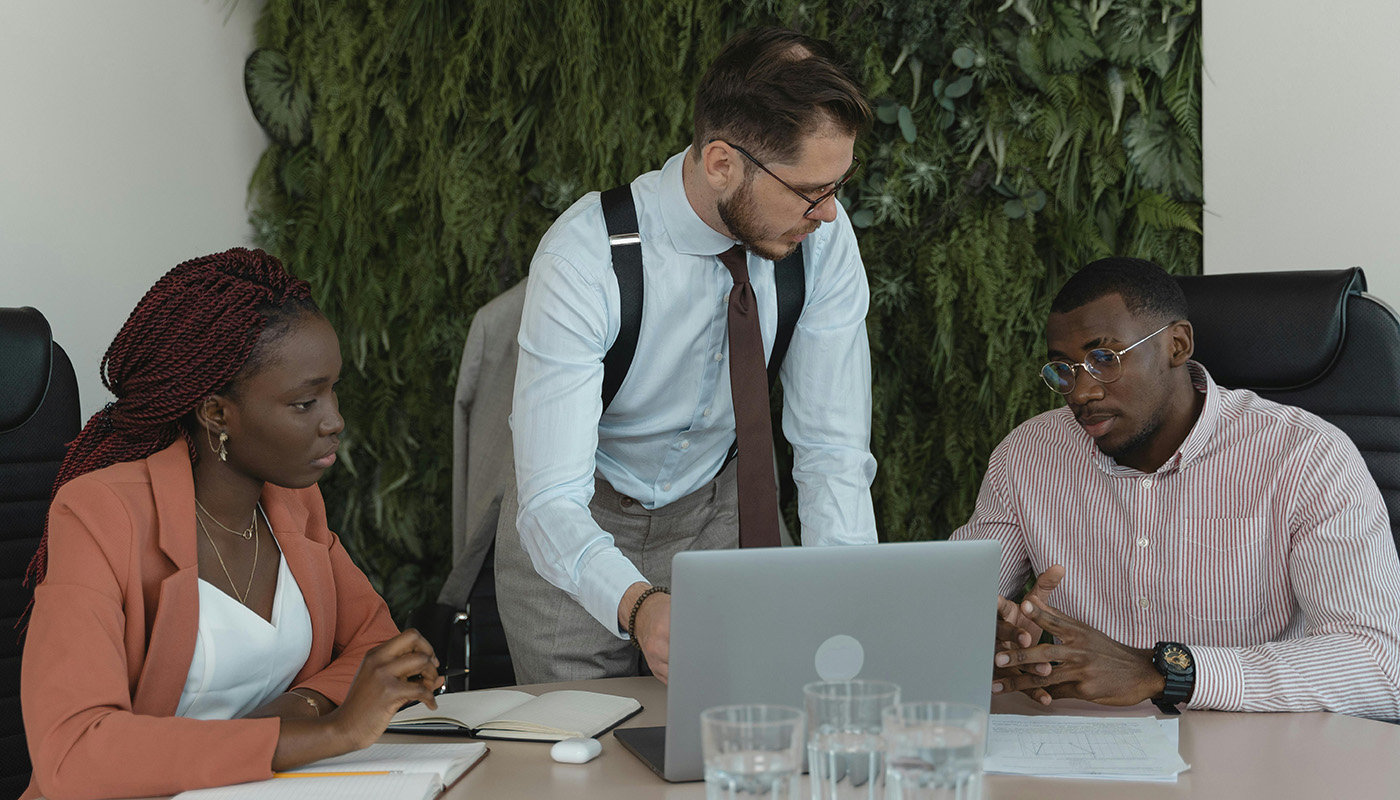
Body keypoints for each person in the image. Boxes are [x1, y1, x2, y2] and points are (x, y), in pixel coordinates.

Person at [497, 27, 878, 685]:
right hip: (579, 524)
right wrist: (638, 604)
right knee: (584, 765)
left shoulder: (822, 241)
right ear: (722, 163)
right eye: (811, 191)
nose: (830, 214)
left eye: (838, 185)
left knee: (750, 737)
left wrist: (842, 604)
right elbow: (551, 499)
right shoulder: (586, 259)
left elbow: (831, 453)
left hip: (725, 509)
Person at [20, 248, 444, 800]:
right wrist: (328, 731)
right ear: (217, 413)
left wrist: (297, 711)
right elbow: (73, 753)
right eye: (304, 402)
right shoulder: (100, 514)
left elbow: (376, 644)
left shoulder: (294, 504)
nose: (334, 420)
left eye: (333, 390)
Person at [950, 256, 1400, 718]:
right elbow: (951, 607)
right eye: (1063, 369)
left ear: (1177, 344)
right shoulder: (1028, 455)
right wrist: (985, 634)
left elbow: (1382, 667)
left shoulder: (1306, 456)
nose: (1080, 392)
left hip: (1253, 759)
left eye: (1104, 358)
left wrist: (1166, 672)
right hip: (1084, 753)